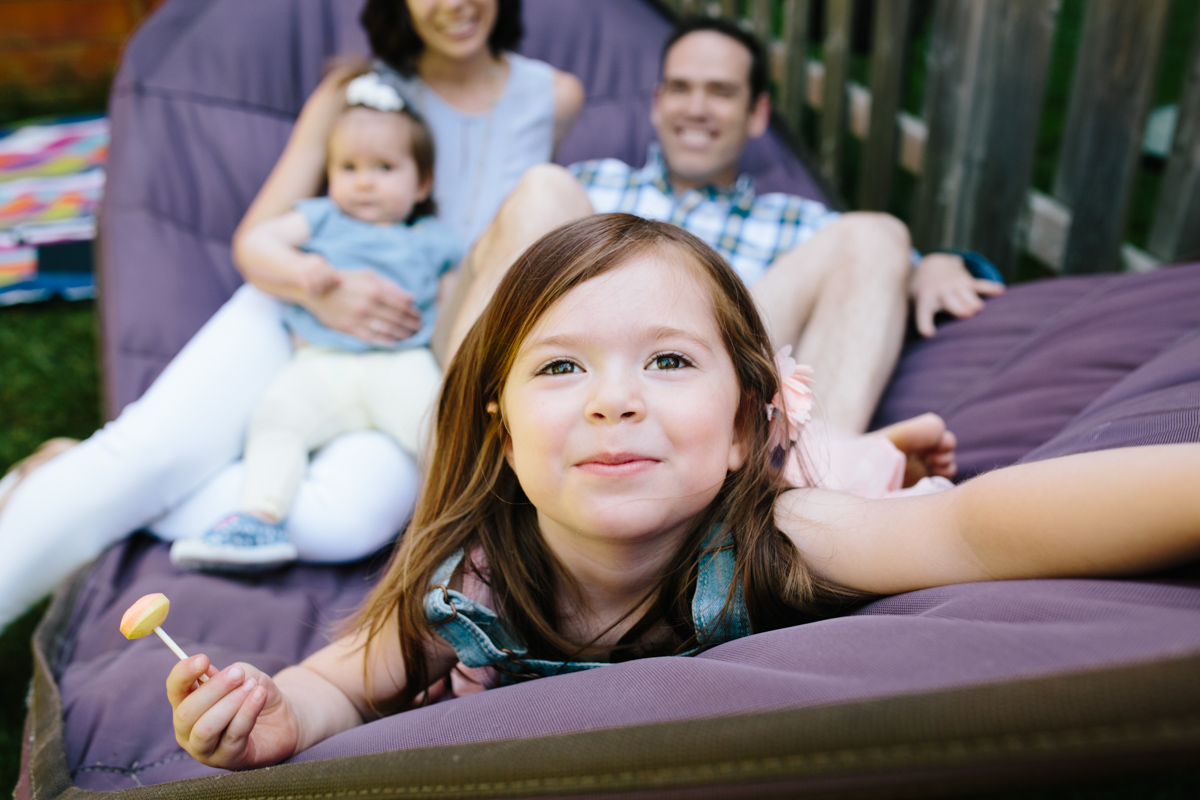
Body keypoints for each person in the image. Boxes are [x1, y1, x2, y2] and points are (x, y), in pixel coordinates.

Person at [166, 214, 1200, 770]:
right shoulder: (472, 578)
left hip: (804, 481)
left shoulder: (786, 533)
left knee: (860, 486)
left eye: (665, 361)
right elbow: (338, 681)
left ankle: (857, 447)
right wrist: (276, 711)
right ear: (504, 428)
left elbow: (975, 529)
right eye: (562, 368)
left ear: (745, 417)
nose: (614, 400)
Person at [0, 0, 585, 631]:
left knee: (347, 520)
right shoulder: (357, 90)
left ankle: (67, 477)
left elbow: (502, 246)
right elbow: (255, 239)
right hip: (302, 303)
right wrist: (322, 290)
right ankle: (90, 497)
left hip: (417, 352)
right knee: (147, 456)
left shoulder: (553, 94)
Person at [436, 16, 1004, 436]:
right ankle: (460, 463)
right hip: (575, 375)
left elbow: (885, 267)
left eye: (721, 92)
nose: (697, 108)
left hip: (700, 382)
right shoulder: (587, 186)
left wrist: (941, 262)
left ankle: (811, 499)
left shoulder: (796, 224)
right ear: (657, 104)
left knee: (877, 231)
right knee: (541, 186)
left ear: (757, 114)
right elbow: (477, 269)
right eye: (681, 88)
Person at [170, 74, 463, 571]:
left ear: (423, 183)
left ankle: (461, 527)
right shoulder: (323, 219)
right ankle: (258, 519)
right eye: (347, 168)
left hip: (402, 361)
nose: (364, 181)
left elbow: (457, 300)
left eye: (384, 167)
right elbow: (261, 241)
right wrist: (299, 268)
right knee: (276, 419)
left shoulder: (435, 238)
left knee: (441, 430)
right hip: (322, 362)